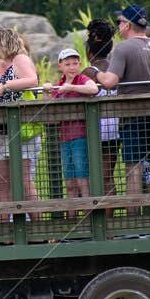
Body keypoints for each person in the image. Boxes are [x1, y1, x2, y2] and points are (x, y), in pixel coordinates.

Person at [95, 4, 150, 214]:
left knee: (133, 167)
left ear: (128, 25)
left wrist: (96, 74)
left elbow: (110, 81)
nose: (118, 26)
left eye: (120, 22)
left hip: (132, 116)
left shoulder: (123, 48)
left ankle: (133, 224)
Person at [0, 28, 42, 210]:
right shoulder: (0, 65)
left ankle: (39, 231)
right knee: (2, 183)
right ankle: (5, 234)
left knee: (24, 181)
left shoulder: (20, 59)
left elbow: (32, 80)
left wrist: (5, 86)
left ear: (3, 43)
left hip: (20, 127)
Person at [49, 48, 99, 200]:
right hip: (64, 138)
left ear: (79, 64)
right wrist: (49, 90)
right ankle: (72, 217)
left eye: (75, 63)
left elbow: (94, 88)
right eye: (68, 64)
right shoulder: (59, 85)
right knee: (69, 182)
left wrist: (71, 87)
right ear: (60, 66)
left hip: (80, 136)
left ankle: (87, 214)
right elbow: (51, 105)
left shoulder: (82, 79)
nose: (72, 67)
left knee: (82, 179)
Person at [84, 18, 122, 198]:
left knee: (96, 178)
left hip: (94, 132)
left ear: (89, 50)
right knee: (108, 176)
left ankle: (101, 221)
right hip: (115, 131)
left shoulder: (89, 72)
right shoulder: (116, 71)